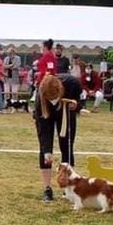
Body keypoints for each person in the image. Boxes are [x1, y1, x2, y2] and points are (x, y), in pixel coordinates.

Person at [35, 74, 82, 202]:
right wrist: (46, 150)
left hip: (66, 114)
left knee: (66, 146)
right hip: (46, 117)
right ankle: (47, 189)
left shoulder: (73, 84)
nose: (53, 101)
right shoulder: (40, 95)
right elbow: (42, 128)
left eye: (54, 97)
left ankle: (68, 187)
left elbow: (80, 101)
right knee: (45, 152)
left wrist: (76, 105)